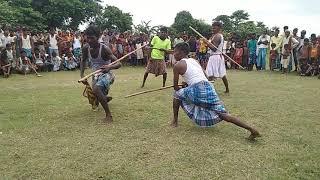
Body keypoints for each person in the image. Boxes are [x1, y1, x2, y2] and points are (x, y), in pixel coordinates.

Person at [171, 42, 260, 140]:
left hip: (197, 89)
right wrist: (187, 85)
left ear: (181, 52)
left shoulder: (177, 65)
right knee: (223, 114)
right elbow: (205, 77)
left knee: (177, 94)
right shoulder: (194, 60)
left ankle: (175, 121)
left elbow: (176, 87)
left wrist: (185, 88)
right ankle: (251, 129)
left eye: (175, 51)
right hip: (209, 86)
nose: (173, 54)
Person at [80, 25, 121, 123]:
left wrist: (109, 67)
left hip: (108, 74)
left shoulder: (105, 49)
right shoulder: (86, 48)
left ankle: (109, 116)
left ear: (98, 37)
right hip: (95, 75)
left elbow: (119, 63)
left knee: (96, 89)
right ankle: (104, 98)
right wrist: (82, 75)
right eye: (87, 37)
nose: (89, 40)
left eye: (92, 38)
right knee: (95, 95)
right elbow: (83, 60)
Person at [205, 21, 229, 93]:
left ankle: (209, 91)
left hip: (215, 57)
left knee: (210, 74)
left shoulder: (218, 36)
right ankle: (227, 89)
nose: (213, 29)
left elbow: (214, 49)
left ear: (219, 28)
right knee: (221, 74)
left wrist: (207, 43)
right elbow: (211, 46)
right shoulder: (214, 36)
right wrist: (208, 43)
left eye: (214, 27)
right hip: (215, 56)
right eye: (212, 27)